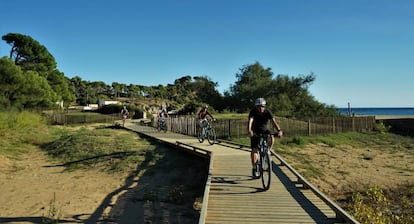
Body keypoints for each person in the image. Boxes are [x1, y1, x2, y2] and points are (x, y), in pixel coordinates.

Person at [247, 98, 283, 178]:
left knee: (272, 137)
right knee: (255, 150)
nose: (261, 108)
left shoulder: (268, 112)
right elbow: (251, 120)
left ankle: (268, 152)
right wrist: (249, 130)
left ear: (265, 106)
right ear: (256, 107)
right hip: (255, 131)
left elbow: (274, 122)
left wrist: (279, 130)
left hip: (265, 130)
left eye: (262, 106)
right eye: (259, 106)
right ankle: (254, 167)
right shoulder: (253, 112)